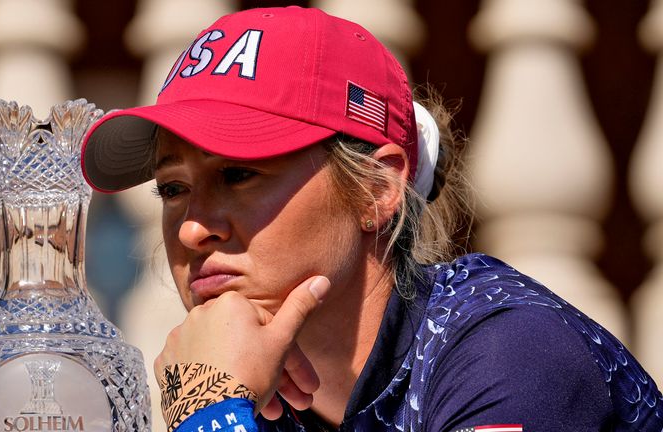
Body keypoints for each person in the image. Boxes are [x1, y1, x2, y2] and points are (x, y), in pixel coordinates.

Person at [80, 6, 663, 432]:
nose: (190, 228)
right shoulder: (262, 393)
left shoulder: (513, 358)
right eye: (173, 188)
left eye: (239, 174)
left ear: (378, 190)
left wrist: (207, 413)